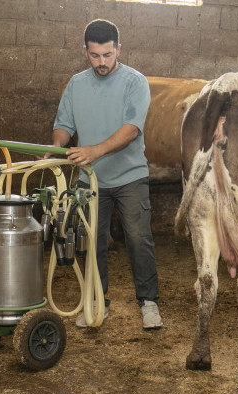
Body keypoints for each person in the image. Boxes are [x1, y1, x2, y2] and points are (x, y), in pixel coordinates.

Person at [52, 19, 162, 330]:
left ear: (118, 50)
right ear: (85, 51)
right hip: (89, 179)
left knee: (139, 239)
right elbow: (63, 126)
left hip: (130, 177)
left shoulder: (135, 82)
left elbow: (130, 130)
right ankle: (98, 302)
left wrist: (94, 151)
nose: (102, 62)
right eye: (95, 56)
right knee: (93, 241)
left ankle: (148, 302)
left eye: (108, 55)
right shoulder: (76, 84)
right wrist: (57, 147)